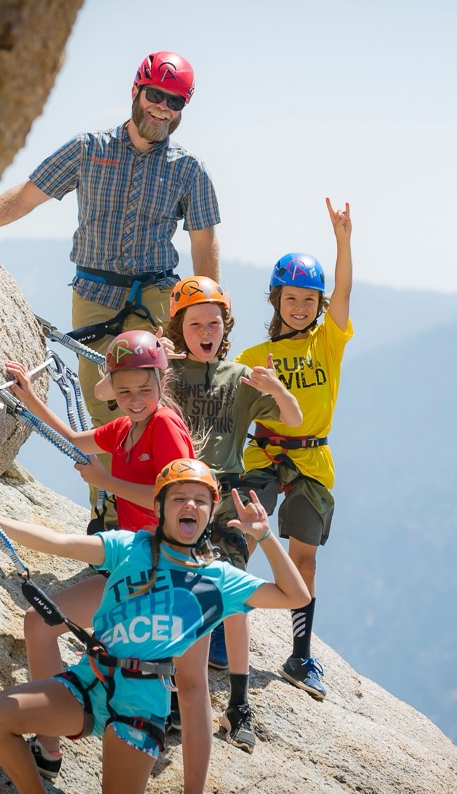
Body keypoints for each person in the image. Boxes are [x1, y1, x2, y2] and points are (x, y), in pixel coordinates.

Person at [0, 50, 221, 529]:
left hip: (155, 298)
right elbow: (25, 197)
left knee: (152, 405)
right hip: (94, 294)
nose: (163, 108)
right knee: (102, 410)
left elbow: (205, 246)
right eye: (155, 96)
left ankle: (166, 524)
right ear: (136, 91)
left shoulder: (189, 170)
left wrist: (202, 315)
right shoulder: (87, 149)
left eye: (174, 101)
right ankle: (107, 518)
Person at [0, 459, 310, 794]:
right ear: (159, 509)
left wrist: (265, 537)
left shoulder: (218, 580)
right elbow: (58, 542)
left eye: (200, 500)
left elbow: (296, 596)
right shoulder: (131, 547)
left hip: (141, 705)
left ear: (211, 512)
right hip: (88, 682)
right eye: (179, 497)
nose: (190, 504)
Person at [3, 329, 206, 782]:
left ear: (161, 383)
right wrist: (32, 397)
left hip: (159, 568)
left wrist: (107, 482)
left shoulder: (164, 427)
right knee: (39, 624)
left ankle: (60, 742)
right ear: (112, 389)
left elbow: (178, 496)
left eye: (145, 390)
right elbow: (78, 438)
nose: (135, 399)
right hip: (129, 558)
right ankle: (49, 746)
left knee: (45, 626)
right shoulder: (128, 427)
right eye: (125, 390)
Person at [160, 275, 302, 751]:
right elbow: (106, 391)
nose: (206, 331)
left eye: (214, 323)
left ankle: (239, 704)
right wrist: (153, 357)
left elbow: (294, 418)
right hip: (180, 495)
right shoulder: (168, 373)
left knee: (235, 598)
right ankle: (177, 699)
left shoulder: (239, 378)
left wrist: (276, 389)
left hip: (228, 499)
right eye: (195, 323)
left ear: (226, 327)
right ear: (180, 328)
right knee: (181, 594)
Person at [234, 198, 353, 701]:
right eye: (292, 299)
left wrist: (343, 242)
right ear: (276, 300)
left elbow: (344, 292)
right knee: (235, 541)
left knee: (303, 561)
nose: (300, 308)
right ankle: (222, 635)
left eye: (309, 300)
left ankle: (300, 656)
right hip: (263, 455)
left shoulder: (327, 341)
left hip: (310, 460)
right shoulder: (253, 357)